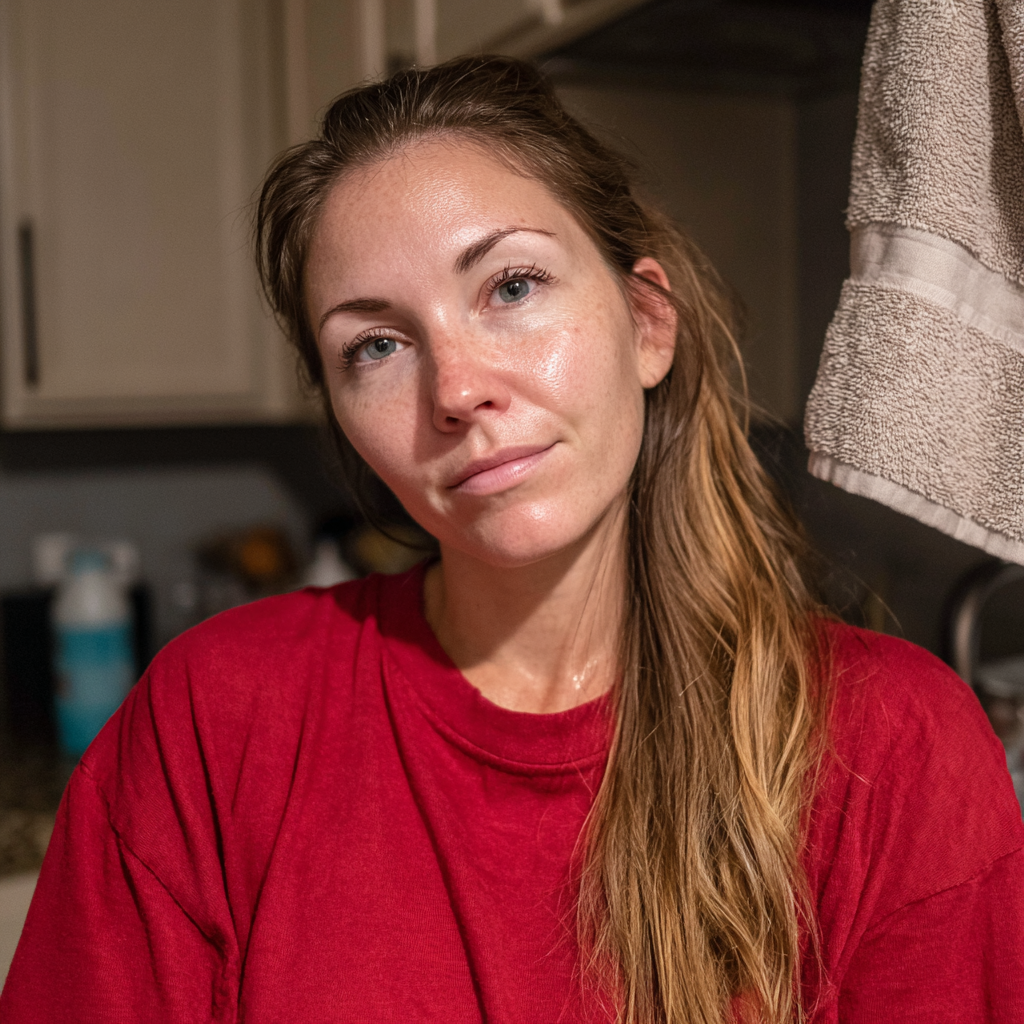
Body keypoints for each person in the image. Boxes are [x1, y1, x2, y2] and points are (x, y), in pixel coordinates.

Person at [2, 56, 1022, 1024]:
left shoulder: (891, 751)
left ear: (647, 322)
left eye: (512, 287)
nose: (455, 389)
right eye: (377, 346)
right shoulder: (211, 725)